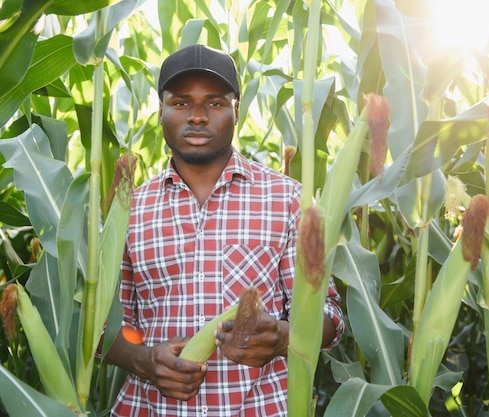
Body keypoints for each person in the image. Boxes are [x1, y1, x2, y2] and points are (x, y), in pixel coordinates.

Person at [104, 44, 344, 417]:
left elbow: (328, 314)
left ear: (236, 110)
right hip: (151, 408)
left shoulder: (288, 200)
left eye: (214, 103)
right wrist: (142, 359)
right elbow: (111, 327)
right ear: (160, 111)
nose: (197, 117)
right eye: (181, 103)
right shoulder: (128, 210)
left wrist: (284, 337)